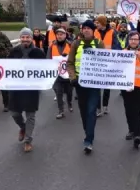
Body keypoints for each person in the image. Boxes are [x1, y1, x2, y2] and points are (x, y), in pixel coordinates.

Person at [67, 20, 105, 154]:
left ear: (93, 30)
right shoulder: (76, 44)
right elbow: (70, 62)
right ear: (82, 30)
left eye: (89, 28)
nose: (86, 30)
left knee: (91, 110)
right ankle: (87, 131)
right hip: (80, 83)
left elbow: (106, 62)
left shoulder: (99, 44)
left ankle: (89, 140)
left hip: (94, 84)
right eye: (84, 28)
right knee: (83, 111)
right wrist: (72, 78)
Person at [8, 28, 46, 153]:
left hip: (31, 89)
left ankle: (28, 140)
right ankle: (23, 127)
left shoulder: (38, 52)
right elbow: (5, 66)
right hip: (16, 88)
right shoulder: (14, 51)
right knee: (14, 113)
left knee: (30, 115)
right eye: (23, 37)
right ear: (20, 38)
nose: (25, 39)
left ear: (31, 38)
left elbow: (45, 68)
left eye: (27, 37)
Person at [122, 31, 140, 148]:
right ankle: (131, 130)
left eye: (136, 39)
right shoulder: (123, 53)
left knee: (137, 111)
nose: (133, 41)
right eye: (131, 39)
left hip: (139, 86)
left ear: (139, 41)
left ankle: (137, 135)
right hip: (126, 86)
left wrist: (139, 58)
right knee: (128, 110)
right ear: (128, 40)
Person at [93, 15, 121, 116]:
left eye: (98, 23)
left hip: (108, 63)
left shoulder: (113, 32)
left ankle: (105, 106)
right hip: (97, 63)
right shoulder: (94, 32)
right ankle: (98, 108)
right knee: (96, 86)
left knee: (106, 86)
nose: (96, 24)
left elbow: (117, 47)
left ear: (103, 23)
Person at [48, 28, 73, 119]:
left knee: (69, 92)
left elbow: (75, 58)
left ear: (65, 35)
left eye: (61, 34)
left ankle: (69, 103)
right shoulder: (52, 46)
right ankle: (61, 111)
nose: (59, 36)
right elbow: (48, 59)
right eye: (58, 34)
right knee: (59, 92)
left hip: (69, 74)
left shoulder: (70, 45)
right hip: (57, 74)